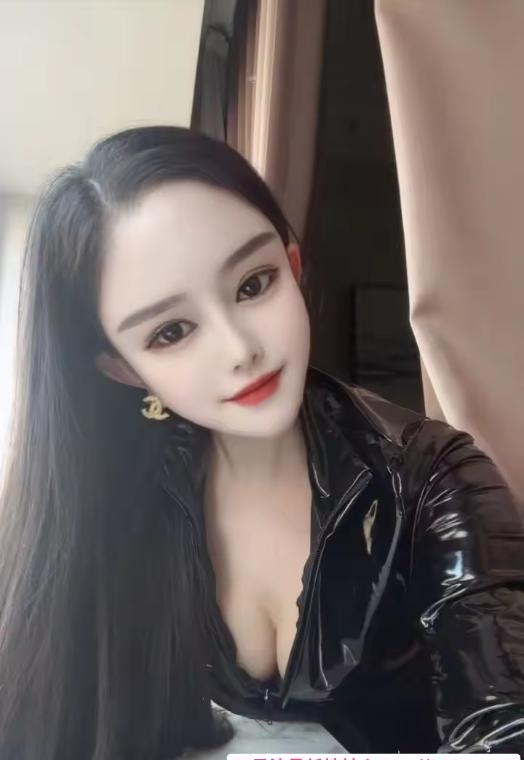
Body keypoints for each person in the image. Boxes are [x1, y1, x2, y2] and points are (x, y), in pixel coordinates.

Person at [0, 126, 523, 760]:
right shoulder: (113, 496)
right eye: (171, 332)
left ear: (293, 267)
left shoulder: (434, 478)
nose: (239, 348)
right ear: (124, 370)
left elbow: (504, 728)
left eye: (253, 284)